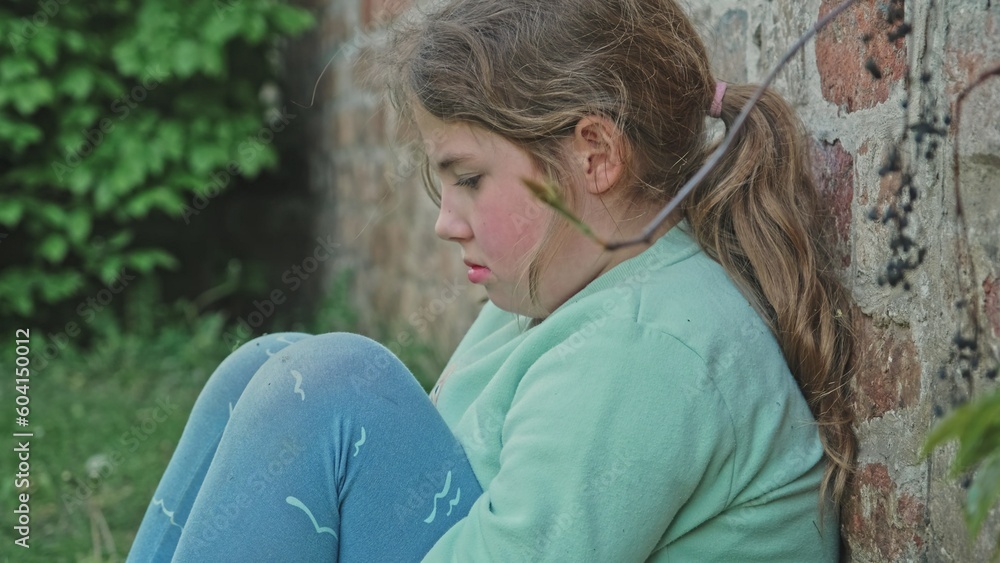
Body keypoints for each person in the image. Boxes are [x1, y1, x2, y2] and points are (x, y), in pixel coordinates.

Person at [128, 0, 857, 560]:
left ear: (595, 155)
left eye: (470, 179)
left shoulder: (654, 348)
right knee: (265, 366)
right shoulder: (549, 293)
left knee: (331, 386)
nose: (445, 222)